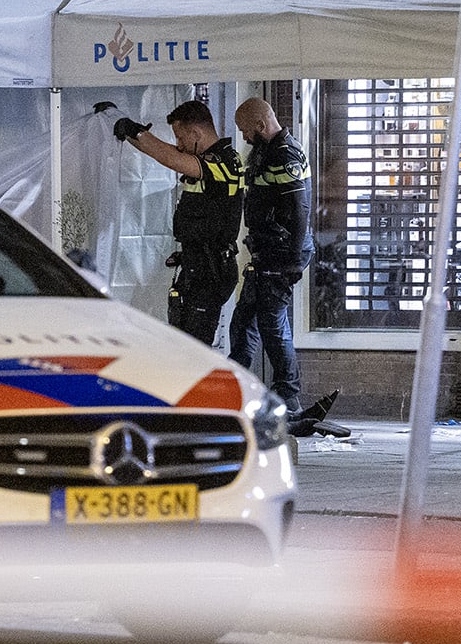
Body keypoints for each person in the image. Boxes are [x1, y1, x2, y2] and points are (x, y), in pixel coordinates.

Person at [227, 98, 341, 432]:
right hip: (265, 252)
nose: (244, 137)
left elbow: (299, 209)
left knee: (272, 326)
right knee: (243, 322)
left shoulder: (286, 155)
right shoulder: (263, 152)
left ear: (260, 125)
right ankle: (238, 392)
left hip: (281, 254)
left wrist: (291, 261)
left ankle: (288, 398)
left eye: (246, 130)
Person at [105, 99, 243, 346]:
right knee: (182, 337)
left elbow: (170, 158)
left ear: (196, 132)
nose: (178, 144)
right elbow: (164, 152)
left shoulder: (226, 162)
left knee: (194, 346)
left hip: (211, 269)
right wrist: (123, 126)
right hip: (196, 264)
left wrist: (135, 130)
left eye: (181, 137)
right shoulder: (207, 160)